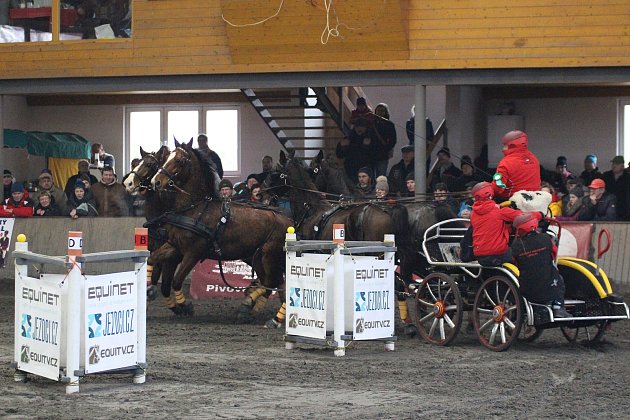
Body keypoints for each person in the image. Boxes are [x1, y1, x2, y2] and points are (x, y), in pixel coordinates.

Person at [511, 212, 570, 318]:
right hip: (549, 284)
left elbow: (515, 262)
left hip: (527, 288)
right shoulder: (545, 238)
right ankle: (557, 306)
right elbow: (554, 254)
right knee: (559, 277)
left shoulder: (516, 246)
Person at [470, 181, 524, 267]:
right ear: (491, 194)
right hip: (497, 253)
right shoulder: (499, 211)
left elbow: (490, 225)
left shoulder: (473, 213)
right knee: (521, 254)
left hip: (480, 255)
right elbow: (523, 216)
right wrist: (539, 214)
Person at [492, 130, 541, 201]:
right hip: (534, 201)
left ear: (512, 145)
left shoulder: (506, 162)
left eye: (505, 145)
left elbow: (498, 188)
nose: (503, 149)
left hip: (513, 202)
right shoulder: (534, 159)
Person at [336, 118, 374, 184]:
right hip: (350, 171)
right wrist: (341, 146)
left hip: (365, 172)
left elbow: (374, 156)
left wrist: (367, 147)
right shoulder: (349, 139)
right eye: (357, 127)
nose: (359, 129)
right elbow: (339, 155)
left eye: (362, 127)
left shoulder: (371, 139)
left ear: (365, 128)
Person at [372, 103, 397, 178]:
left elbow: (393, 140)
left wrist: (386, 149)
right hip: (371, 154)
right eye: (378, 110)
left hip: (382, 155)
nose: (380, 112)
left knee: (381, 177)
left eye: (382, 111)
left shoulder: (389, 124)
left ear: (386, 112)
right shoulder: (372, 123)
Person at [602, 156, 630, 221]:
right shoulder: (606, 176)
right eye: (613, 163)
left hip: (623, 209)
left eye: (617, 164)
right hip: (607, 207)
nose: (614, 165)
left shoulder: (627, 178)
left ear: (622, 166)